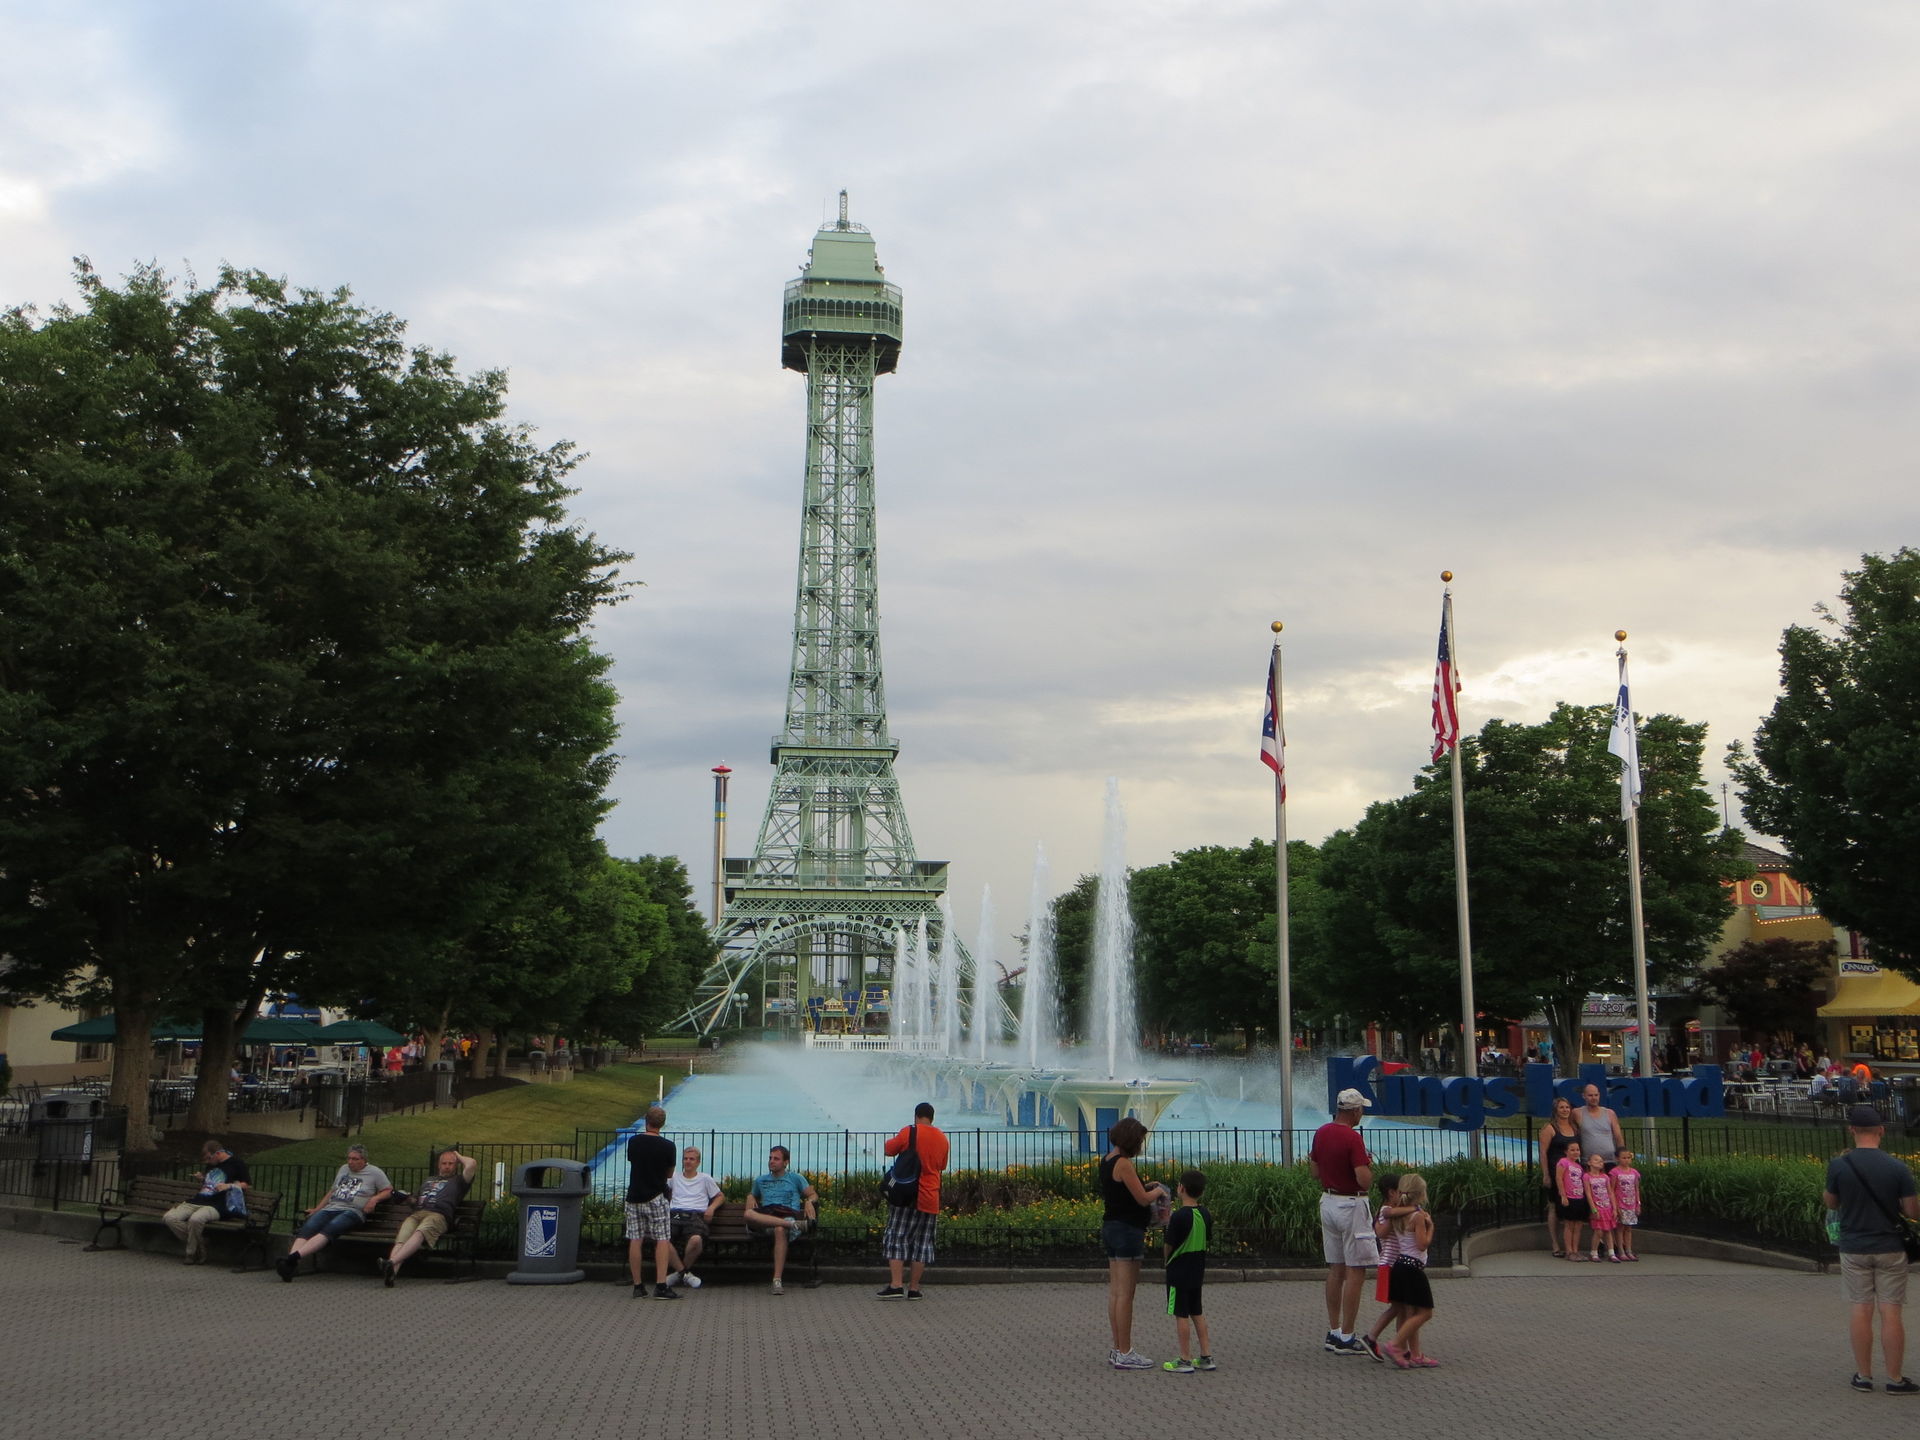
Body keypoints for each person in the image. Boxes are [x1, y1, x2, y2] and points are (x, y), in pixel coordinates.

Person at [1822, 1103, 1919, 1394]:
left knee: (1861, 1308)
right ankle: (1894, 1379)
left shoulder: (1839, 1165)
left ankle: (1864, 1376)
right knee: (1891, 1311)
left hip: (1854, 1247)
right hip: (1890, 1247)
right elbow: (1912, 1211)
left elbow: (1831, 1202)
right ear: (1881, 1131)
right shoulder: (1897, 1167)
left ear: (1852, 1130)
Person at [1310, 1087, 1378, 1355]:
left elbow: (1314, 1171)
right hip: (1351, 1204)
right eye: (1361, 1110)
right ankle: (1348, 1337)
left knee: (1335, 1269)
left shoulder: (1322, 1132)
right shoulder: (1352, 1138)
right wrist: (1368, 1167)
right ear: (1355, 1111)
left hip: (1328, 1201)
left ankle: (1334, 1330)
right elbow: (1364, 1180)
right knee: (1356, 1270)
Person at [1099, 1114, 1168, 1370]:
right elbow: (1142, 1199)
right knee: (1127, 1295)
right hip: (1128, 1231)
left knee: (1116, 1292)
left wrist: (1144, 1185)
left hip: (1111, 1227)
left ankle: (1118, 1348)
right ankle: (1126, 1352)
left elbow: (1123, 1191)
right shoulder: (1125, 1164)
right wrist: (1158, 1191)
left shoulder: (1108, 1160)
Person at [278, 1144, 392, 1280]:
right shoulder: (343, 1169)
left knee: (331, 1228)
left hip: (353, 1212)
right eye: (349, 1158)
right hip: (332, 1207)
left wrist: (374, 1199)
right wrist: (317, 1209)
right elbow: (332, 1191)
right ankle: (290, 1266)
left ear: (364, 1160)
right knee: (309, 1227)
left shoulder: (375, 1172)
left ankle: (291, 1259)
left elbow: (388, 1190)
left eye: (355, 1159)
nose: (350, 1162)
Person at [877, 1100, 949, 1300]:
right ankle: (914, 1288)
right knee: (923, 1242)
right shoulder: (942, 1138)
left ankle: (896, 1285)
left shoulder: (910, 1131)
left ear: (916, 1116)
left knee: (896, 1236)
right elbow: (942, 1165)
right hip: (930, 1196)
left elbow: (889, 1149)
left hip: (907, 1194)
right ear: (932, 1118)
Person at [380, 1147, 476, 1286]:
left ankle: (391, 1262)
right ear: (439, 1165)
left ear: (456, 1165)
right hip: (417, 1213)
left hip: (438, 1215)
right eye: (444, 1163)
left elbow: (471, 1163)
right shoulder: (429, 1180)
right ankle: (391, 1274)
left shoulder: (460, 1181)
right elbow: (415, 1201)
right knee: (401, 1239)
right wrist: (406, 1198)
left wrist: (456, 1154)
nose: (447, 1166)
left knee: (420, 1232)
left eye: (451, 1163)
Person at [1160, 1169, 1216, 1373]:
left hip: (1178, 1271)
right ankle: (1206, 1356)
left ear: (1181, 1188)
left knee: (1181, 1314)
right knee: (1197, 1312)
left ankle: (1185, 1358)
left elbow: (1169, 1244)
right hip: (1197, 1270)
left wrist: (1166, 1260)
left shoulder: (1179, 1216)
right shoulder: (1205, 1213)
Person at [1379, 1174, 1437, 1368]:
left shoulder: (1397, 1213)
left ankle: (1416, 1354)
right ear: (1420, 1194)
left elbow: (1386, 1217)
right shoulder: (1418, 1216)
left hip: (1400, 1265)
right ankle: (1395, 1344)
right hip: (1413, 1268)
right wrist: (1430, 1228)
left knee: (1411, 1312)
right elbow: (1422, 1244)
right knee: (1425, 1312)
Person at [744, 1144, 817, 1296]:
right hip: (768, 1219)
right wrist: (750, 1196)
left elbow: (812, 1194)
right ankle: (794, 1225)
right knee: (748, 1214)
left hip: (786, 1215)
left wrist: (809, 1201)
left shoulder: (796, 1178)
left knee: (779, 1229)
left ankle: (777, 1280)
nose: (771, 1161)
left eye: (776, 1159)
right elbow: (753, 1195)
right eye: (770, 1158)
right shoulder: (760, 1181)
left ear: (785, 1162)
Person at [164, 1138, 250, 1264]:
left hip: (218, 1204)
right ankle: (201, 1242)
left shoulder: (237, 1163)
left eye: (209, 1158)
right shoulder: (212, 1165)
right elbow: (210, 1183)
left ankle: (191, 1254)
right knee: (169, 1218)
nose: (208, 1162)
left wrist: (229, 1186)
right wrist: (202, 1178)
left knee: (195, 1219)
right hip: (198, 1200)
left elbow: (246, 1185)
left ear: (218, 1153)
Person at [1359, 1170, 1413, 1363]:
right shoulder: (1386, 1211)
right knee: (1399, 1307)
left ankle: (1400, 1345)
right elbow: (1381, 1232)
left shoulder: (1393, 1210)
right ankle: (1373, 1337)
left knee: (1401, 1307)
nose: (1403, 1196)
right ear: (1391, 1192)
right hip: (1390, 1265)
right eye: (1400, 1192)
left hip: (1395, 1264)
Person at [626, 1105, 678, 1299]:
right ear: (662, 1124)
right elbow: (670, 1174)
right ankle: (661, 1285)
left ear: (646, 1121)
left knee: (635, 1239)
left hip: (634, 1196)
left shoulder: (634, 1142)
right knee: (662, 1240)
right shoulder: (668, 1146)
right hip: (656, 1196)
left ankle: (638, 1286)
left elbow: (633, 1162)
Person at [664, 1146, 724, 1289]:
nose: (688, 1161)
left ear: (698, 1162)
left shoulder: (705, 1179)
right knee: (662, 1240)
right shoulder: (674, 1178)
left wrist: (711, 1208)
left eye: (692, 1159)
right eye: (685, 1158)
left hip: (696, 1215)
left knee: (696, 1240)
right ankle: (684, 1274)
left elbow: (720, 1196)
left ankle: (678, 1274)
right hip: (675, 1214)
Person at [1538, 1097, 1580, 1257]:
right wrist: (1546, 1174)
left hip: (1573, 1175)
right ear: (1556, 1110)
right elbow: (1543, 1153)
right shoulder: (1549, 1128)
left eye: (1567, 1107)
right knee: (1554, 1206)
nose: (1565, 1110)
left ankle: (1570, 1246)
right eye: (1561, 1107)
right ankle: (1555, 1244)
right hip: (1555, 1171)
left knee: (1570, 1207)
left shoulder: (1574, 1128)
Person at [1576, 1083, 1625, 1174]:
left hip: (1610, 1161)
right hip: (1589, 1163)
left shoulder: (1610, 1113)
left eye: (1596, 1095)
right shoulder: (1577, 1113)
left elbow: (1618, 1137)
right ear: (1584, 1096)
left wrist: (1622, 1158)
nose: (1594, 1098)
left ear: (1599, 1095)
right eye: (1590, 1095)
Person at [1555, 1141, 1589, 1261]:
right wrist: (1563, 1195)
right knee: (1569, 1224)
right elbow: (1559, 1178)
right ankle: (1569, 1251)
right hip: (1569, 1197)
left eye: (1577, 1150)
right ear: (1566, 1151)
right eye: (1572, 1150)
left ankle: (1575, 1250)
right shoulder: (1563, 1162)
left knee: (1578, 1225)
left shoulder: (1579, 1166)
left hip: (1579, 1197)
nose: (1575, 1152)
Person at [1585, 1152, 1618, 1263]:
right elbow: (1588, 1193)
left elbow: (1610, 1192)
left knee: (1608, 1230)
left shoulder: (1605, 1177)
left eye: (1601, 1160)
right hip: (1597, 1207)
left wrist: (1614, 1208)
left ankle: (1611, 1253)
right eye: (1596, 1160)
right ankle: (1593, 1252)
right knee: (1598, 1231)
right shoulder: (1587, 1176)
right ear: (1589, 1163)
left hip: (1607, 1207)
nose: (1599, 1162)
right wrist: (1593, 1208)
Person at [1611, 1148, 1643, 1260]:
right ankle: (1621, 1250)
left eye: (1628, 1158)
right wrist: (1615, 1206)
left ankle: (1629, 1250)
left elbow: (1636, 1189)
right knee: (1620, 1228)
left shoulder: (1634, 1172)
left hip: (1631, 1204)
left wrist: (1638, 1203)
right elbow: (1612, 1189)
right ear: (1617, 1159)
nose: (1626, 1160)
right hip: (1621, 1204)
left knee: (1629, 1228)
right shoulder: (1615, 1172)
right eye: (1623, 1158)